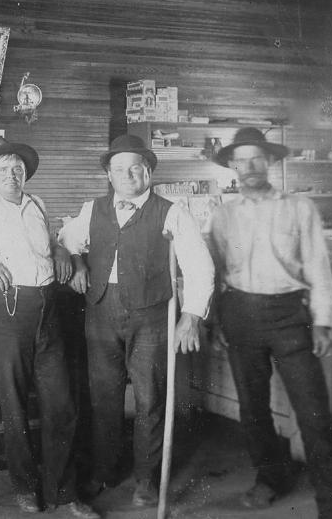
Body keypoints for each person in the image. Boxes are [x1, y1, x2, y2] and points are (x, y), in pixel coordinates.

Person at [0, 138, 100, 519]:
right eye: (3, 170)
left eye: (17, 168)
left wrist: (61, 251)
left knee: (62, 403)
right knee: (14, 404)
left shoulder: (37, 204)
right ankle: (25, 487)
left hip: (48, 310)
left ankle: (64, 490)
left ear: (25, 173)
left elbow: (52, 243)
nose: (12, 175)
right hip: (8, 311)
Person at [58, 134, 215, 507]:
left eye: (135, 167)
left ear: (148, 172)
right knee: (104, 398)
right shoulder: (91, 209)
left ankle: (147, 479)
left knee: (149, 399)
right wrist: (77, 261)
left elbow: (199, 266)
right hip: (101, 312)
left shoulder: (171, 211)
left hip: (151, 316)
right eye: (118, 168)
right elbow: (66, 240)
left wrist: (191, 316)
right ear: (108, 175)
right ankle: (105, 470)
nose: (127, 174)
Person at [204, 128, 332, 519]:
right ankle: (271, 479)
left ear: (270, 162)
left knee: (314, 414)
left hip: (290, 317)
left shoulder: (300, 208)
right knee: (253, 410)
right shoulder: (222, 215)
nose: (250, 167)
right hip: (240, 316)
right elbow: (216, 273)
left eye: (257, 159)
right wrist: (217, 320)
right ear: (232, 166)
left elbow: (319, 265)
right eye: (242, 160)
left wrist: (322, 321)